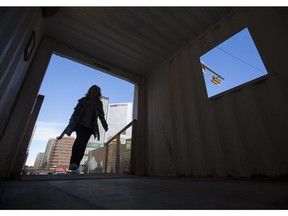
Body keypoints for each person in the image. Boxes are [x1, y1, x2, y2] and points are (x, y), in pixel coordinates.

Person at [58, 85, 108, 171]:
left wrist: (105, 125)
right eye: (93, 90)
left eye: (96, 91)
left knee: (83, 144)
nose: (94, 92)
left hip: (90, 127)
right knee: (79, 141)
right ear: (90, 91)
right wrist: (71, 122)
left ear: (98, 93)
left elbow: (101, 115)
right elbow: (75, 112)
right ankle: (73, 163)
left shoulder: (99, 103)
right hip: (80, 124)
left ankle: (76, 164)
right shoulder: (83, 100)